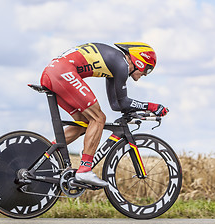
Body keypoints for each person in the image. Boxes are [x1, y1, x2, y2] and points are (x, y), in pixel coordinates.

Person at [40, 42, 168, 187]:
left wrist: (140, 109)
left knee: (84, 124)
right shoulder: (122, 65)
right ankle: (85, 169)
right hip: (62, 73)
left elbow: (116, 105)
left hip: (52, 73)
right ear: (139, 60)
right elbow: (123, 102)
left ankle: (41, 155)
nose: (145, 74)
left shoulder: (114, 65)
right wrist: (151, 106)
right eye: (148, 69)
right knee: (98, 118)